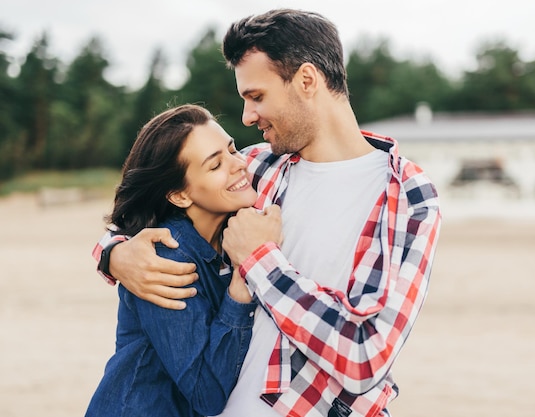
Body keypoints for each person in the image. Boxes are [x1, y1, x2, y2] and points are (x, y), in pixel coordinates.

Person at [93, 9, 442, 417]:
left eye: (256, 97)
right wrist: (114, 253)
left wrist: (259, 259)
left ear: (307, 81)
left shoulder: (408, 196)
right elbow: (155, 203)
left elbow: (365, 357)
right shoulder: (258, 167)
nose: (246, 117)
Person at [86, 104, 259, 417]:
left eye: (233, 149)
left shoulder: (226, 236)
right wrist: (244, 275)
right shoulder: (166, 257)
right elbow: (206, 394)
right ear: (180, 195)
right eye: (215, 164)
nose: (239, 165)